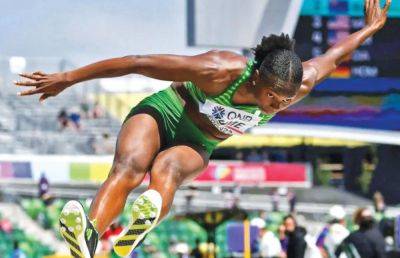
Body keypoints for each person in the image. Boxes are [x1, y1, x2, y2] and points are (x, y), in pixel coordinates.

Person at [14, 1, 391, 257]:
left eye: (287, 100)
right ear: (257, 77)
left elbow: (335, 55)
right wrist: (68, 77)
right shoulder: (219, 70)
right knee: (128, 167)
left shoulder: (298, 83)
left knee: (167, 170)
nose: (279, 105)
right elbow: (137, 61)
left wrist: (370, 28)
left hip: (200, 141)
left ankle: (143, 222)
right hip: (166, 111)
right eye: (274, 97)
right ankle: (90, 238)